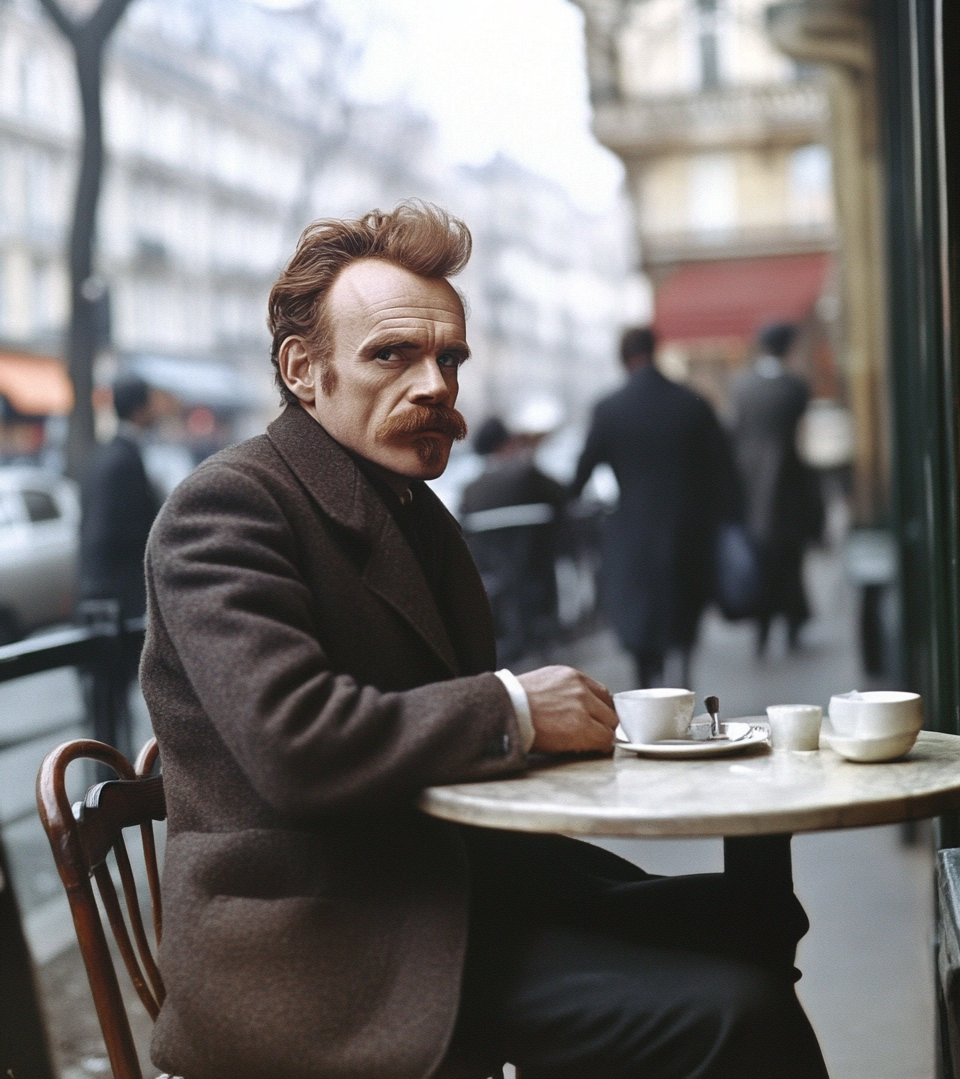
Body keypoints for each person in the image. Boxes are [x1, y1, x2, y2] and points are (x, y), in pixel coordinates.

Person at [140, 204, 827, 1079]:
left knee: (751, 921)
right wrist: (515, 707)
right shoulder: (228, 506)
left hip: (441, 889)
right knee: (735, 1009)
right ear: (303, 371)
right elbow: (293, 743)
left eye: (449, 358)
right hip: (322, 949)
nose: (434, 385)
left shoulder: (410, 508)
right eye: (392, 354)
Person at [571, 326, 731, 688]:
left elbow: (581, 475)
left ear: (623, 357)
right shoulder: (692, 403)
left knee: (641, 607)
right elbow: (722, 468)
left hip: (633, 529)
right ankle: (684, 677)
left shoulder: (609, 408)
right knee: (684, 603)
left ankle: (646, 684)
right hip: (688, 526)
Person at [78, 374, 160, 758]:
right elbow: (121, 534)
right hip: (116, 604)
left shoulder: (106, 456)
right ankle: (115, 785)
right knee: (112, 708)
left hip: (99, 599)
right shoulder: (124, 459)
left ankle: (112, 779)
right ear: (141, 408)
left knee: (106, 709)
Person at [729, 322, 822, 654]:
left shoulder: (741, 386)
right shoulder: (795, 388)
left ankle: (762, 630)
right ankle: (792, 626)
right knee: (790, 563)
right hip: (788, 488)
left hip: (752, 488)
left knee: (761, 563)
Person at [461, 403, 567, 665]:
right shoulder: (528, 475)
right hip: (535, 570)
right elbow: (562, 497)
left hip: (494, 576)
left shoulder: (471, 490)